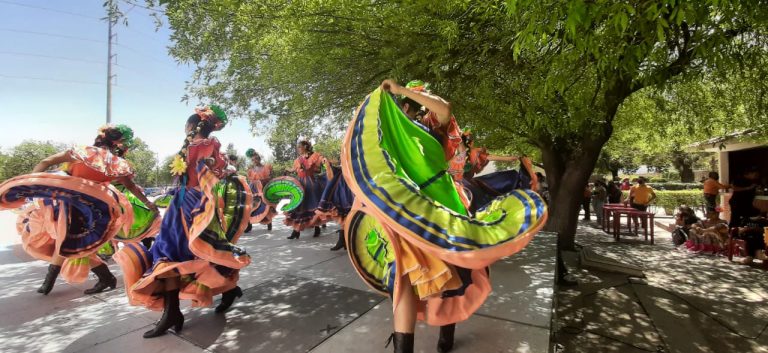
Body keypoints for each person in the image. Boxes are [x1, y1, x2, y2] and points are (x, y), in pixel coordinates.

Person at [343, 79, 547, 353]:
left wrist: (401, 89)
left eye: (403, 102)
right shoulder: (389, 136)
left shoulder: (429, 126)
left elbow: (445, 108)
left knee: (454, 269)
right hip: (406, 209)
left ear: (407, 105)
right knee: (402, 275)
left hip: (442, 202)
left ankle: (446, 334)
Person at [114, 106, 251, 339]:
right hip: (182, 202)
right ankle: (174, 311)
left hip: (194, 205)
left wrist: (215, 173)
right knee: (173, 254)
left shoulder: (205, 145)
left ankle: (221, 291)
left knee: (185, 253)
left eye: (186, 126)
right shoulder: (196, 146)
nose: (185, 129)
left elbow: (212, 173)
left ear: (191, 125)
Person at [0, 124, 158, 295]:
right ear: (119, 143)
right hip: (95, 212)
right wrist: (149, 204)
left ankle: (56, 280)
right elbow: (132, 187)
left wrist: (32, 183)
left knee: (69, 243)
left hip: (66, 205)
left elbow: (45, 162)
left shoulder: (81, 152)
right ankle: (100, 278)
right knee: (73, 245)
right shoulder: (118, 164)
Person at [285, 140, 327, 239]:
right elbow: (294, 170)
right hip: (300, 184)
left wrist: (307, 169)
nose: (298, 149)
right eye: (298, 147)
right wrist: (288, 170)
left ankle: (317, 227)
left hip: (311, 183)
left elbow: (318, 170)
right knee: (298, 206)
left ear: (305, 146)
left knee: (313, 205)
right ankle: (296, 231)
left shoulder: (314, 156)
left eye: (299, 147)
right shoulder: (298, 159)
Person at [315, 157, 354, 251]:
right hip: (344, 185)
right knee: (345, 214)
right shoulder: (339, 172)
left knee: (348, 213)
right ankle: (343, 240)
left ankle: (344, 240)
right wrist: (328, 164)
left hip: (351, 183)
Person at [245, 149, 276, 232]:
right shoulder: (250, 170)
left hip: (262, 188)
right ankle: (249, 225)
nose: (254, 161)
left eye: (256, 159)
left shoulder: (265, 168)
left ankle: (268, 222)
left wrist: (262, 181)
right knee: (251, 205)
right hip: (253, 189)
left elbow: (269, 177)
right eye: (253, 160)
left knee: (265, 205)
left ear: (259, 159)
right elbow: (250, 179)